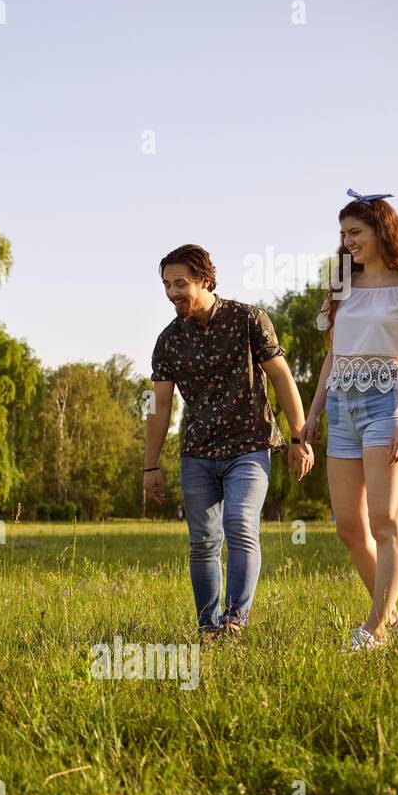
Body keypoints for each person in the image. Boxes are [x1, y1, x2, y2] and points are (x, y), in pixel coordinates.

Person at [144, 244, 314, 638]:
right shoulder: (168, 341)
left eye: (180, 283)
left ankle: (236, 619)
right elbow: (159, 406)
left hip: (249, 447)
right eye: (167, 285)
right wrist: (150, 466)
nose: (172, 292)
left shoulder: (247, 319)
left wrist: (298, 438)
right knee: (203, 541)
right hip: (199, 452)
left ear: (205, 279)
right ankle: (208, 626)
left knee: (239, 523)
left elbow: (282, 378)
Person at [301, 190, 398, 651]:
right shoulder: (340, 284)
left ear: (382, 230)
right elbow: (331, 359)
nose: (348, 241)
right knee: (348, 526)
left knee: (385, 522)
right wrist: (314, 412)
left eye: (355, 232)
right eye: (343, 234)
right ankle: (393, 617)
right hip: (341, 407)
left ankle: (375, 628)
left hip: (389, 406)